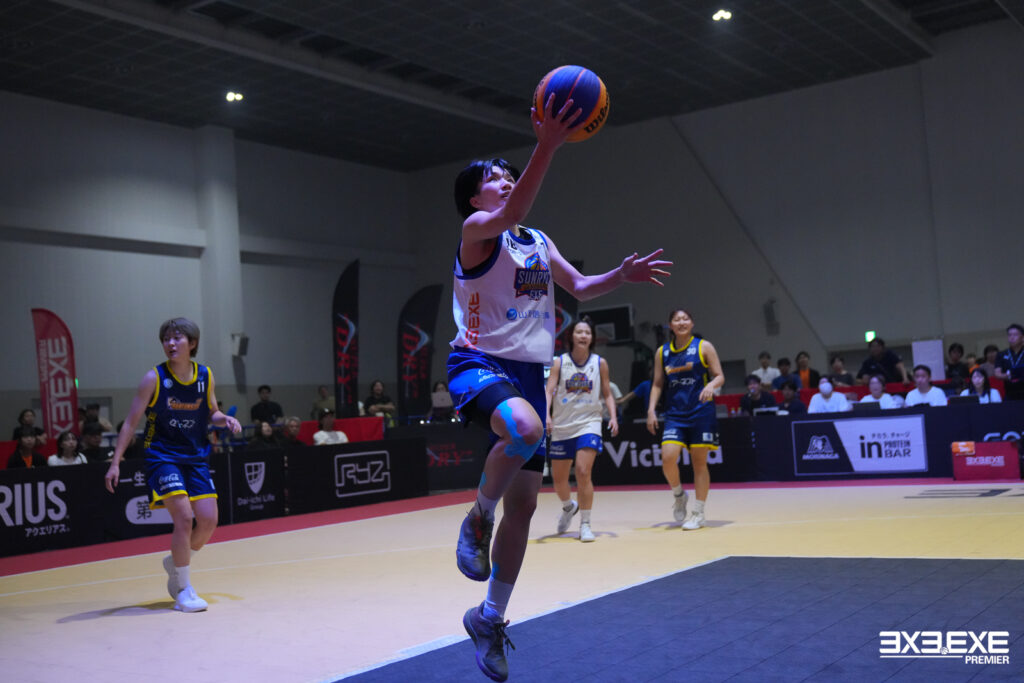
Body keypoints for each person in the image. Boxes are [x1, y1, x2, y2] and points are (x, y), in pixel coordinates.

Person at [447, 94, 671, 683]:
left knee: (524, 507)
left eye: (508, 173)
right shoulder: (476, 231)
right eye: (493, 178)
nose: (504, 180)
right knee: (525, 427)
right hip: (479, 360)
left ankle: (489, 617)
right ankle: (477, 517)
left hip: (526, 369)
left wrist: (620, 275)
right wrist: (548, 143)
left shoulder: (537, 240)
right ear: (474, 199)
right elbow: (517, 203)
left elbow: (580, 287)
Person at [104, 317, 241, 614]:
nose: (170, 343)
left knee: (208, 521)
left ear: (192, 343)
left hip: (195, 457)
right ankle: (182, 589)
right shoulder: (153, 378)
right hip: (162, 456)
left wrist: (225, 420)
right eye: (166, 339)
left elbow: (213, 413)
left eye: (177, 338)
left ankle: (176, 562)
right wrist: (115, 462)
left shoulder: (205, 375)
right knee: (184, 517)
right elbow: (130, 423)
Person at [647, 309, 723, 532]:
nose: (681, 322)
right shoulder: (662, 352)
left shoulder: (704, 347)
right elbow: (658, 383)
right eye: (676, 319)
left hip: (701, 411)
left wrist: (711, 385)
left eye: (685, 319)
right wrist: (651, 410)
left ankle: (698, 513)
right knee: (668, 458)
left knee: (699, 463)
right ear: (670, 325)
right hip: (675, 414)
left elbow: (719, 375)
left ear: (691, 323)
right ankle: (679, 494)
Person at [545, 316, 618, 543]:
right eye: (579, 332)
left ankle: (585, 524)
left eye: (587, 332)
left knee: (583, 471)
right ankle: (569, 507)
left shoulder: (599, 363)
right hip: (562, 425)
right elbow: (549, 391)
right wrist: (546, 415)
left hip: (589, 423)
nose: (584, 336)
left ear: (592, 338)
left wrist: (613, 416)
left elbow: (607, 393)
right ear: (572, 336)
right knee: (559, 481)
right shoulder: (559, 362)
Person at [995, 324, 1024, 390]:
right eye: (1009, 335)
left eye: (1015, 335)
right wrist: (1008, 375)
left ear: (1022, 337)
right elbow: (997, 374)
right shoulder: (1001, 354)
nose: (1012, 337)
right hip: (1009, 391)